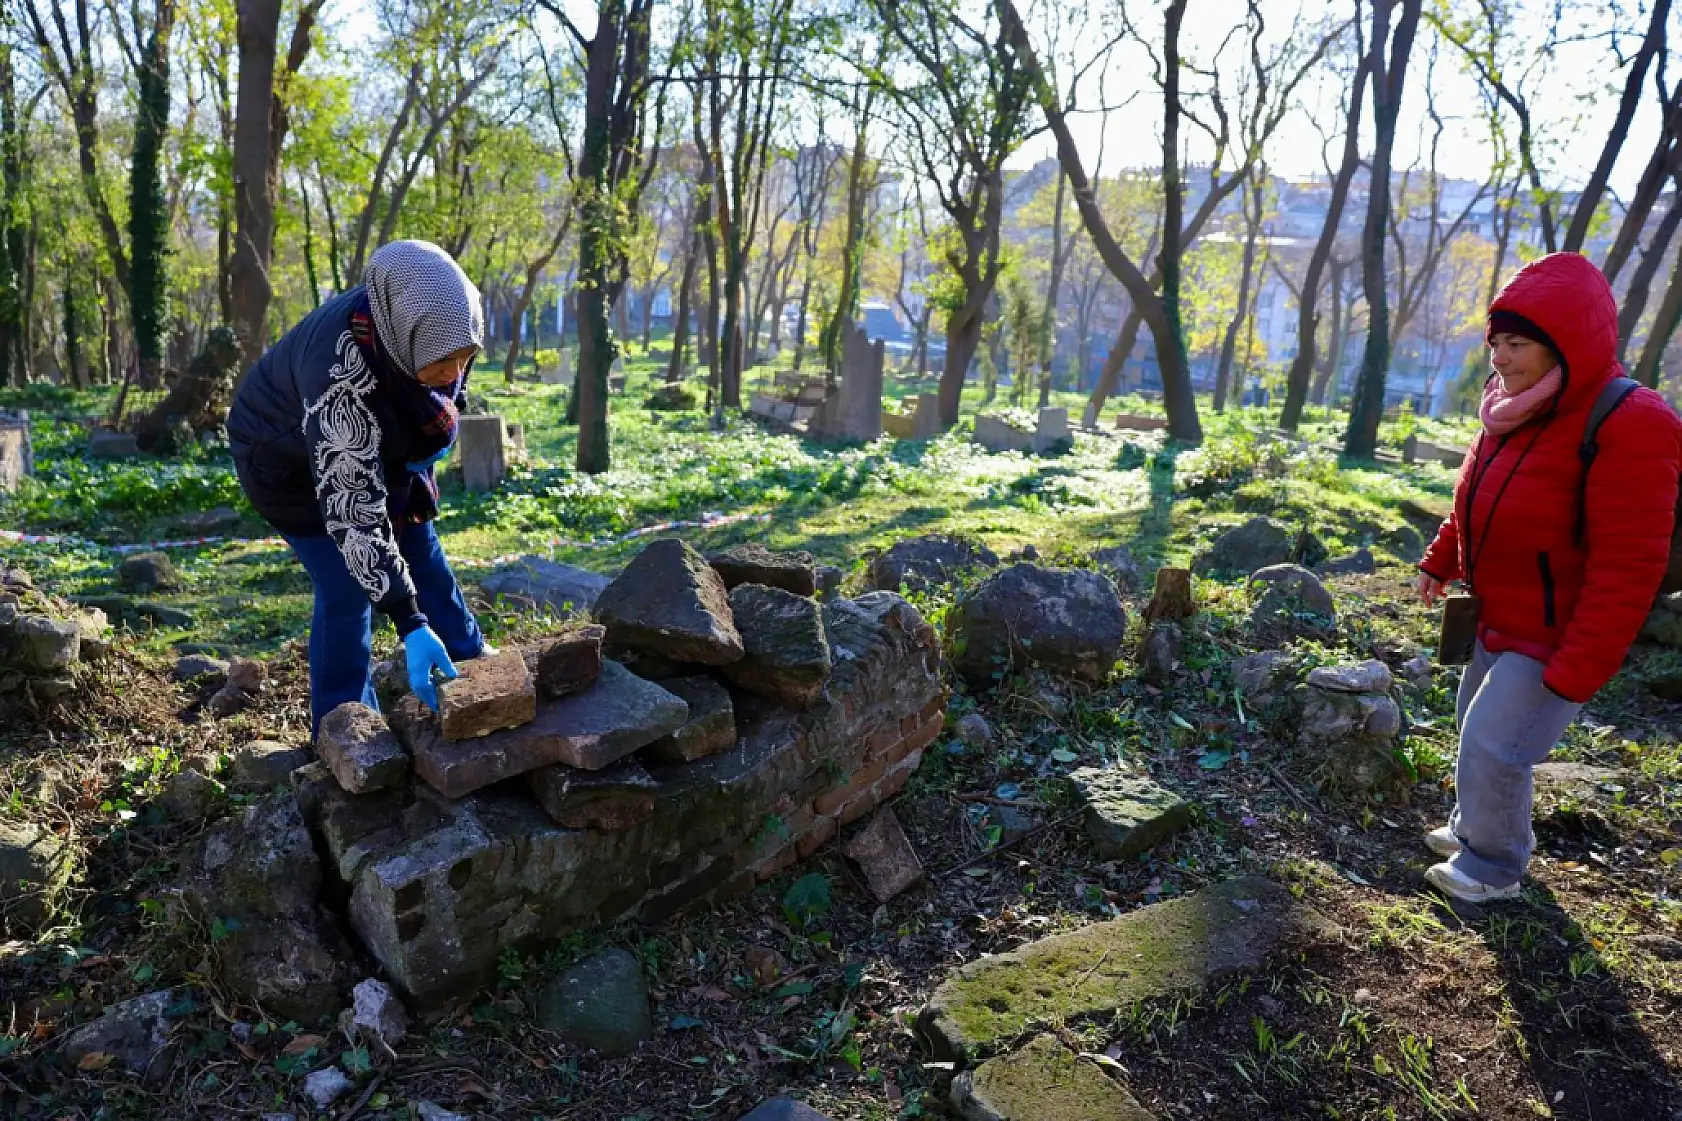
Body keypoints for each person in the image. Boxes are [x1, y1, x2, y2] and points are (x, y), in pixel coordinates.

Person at [1415, 251, 1682, 903]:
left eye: (1517, 344)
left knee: (1497, 740)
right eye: (1496, 342)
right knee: (1471, 720)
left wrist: (1579, 666)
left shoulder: (1629, 421)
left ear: (1566, 342)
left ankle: (1496, 865)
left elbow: (1631, 565)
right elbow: (1473, 498)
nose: (1500, 358)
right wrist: (1441, 558)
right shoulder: (1510, 409)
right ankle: (1473, 827)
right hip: (1500, 614)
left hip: (1556, 631)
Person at [229, 240, 488, 736]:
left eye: (465, 358)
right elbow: (354, 513)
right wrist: (409, 623)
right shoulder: (337, 378)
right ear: (405, 341)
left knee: (417, 544)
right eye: (443, 364)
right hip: (287, 464)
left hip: (383, 448)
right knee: (347, 586)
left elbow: (434, 384)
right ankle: (344, 727)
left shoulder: (424, 320)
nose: (455, 376)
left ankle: (471, 661)